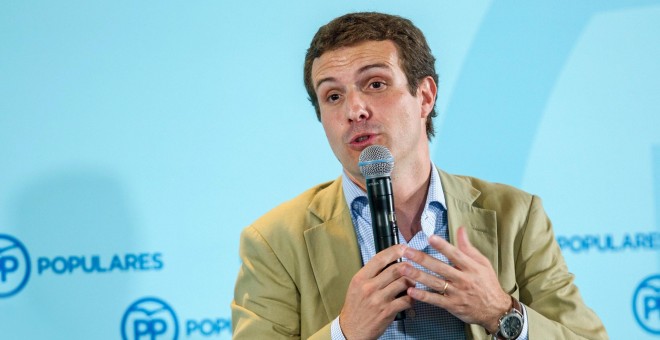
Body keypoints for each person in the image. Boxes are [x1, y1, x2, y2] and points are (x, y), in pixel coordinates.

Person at [231, 12, 607, 340]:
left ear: (425, 96)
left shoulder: (516, 216)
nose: (354, 110)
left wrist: (501, 313)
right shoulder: (275, 241)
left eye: (375, 84)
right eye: (332, 96)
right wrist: (344, 333)